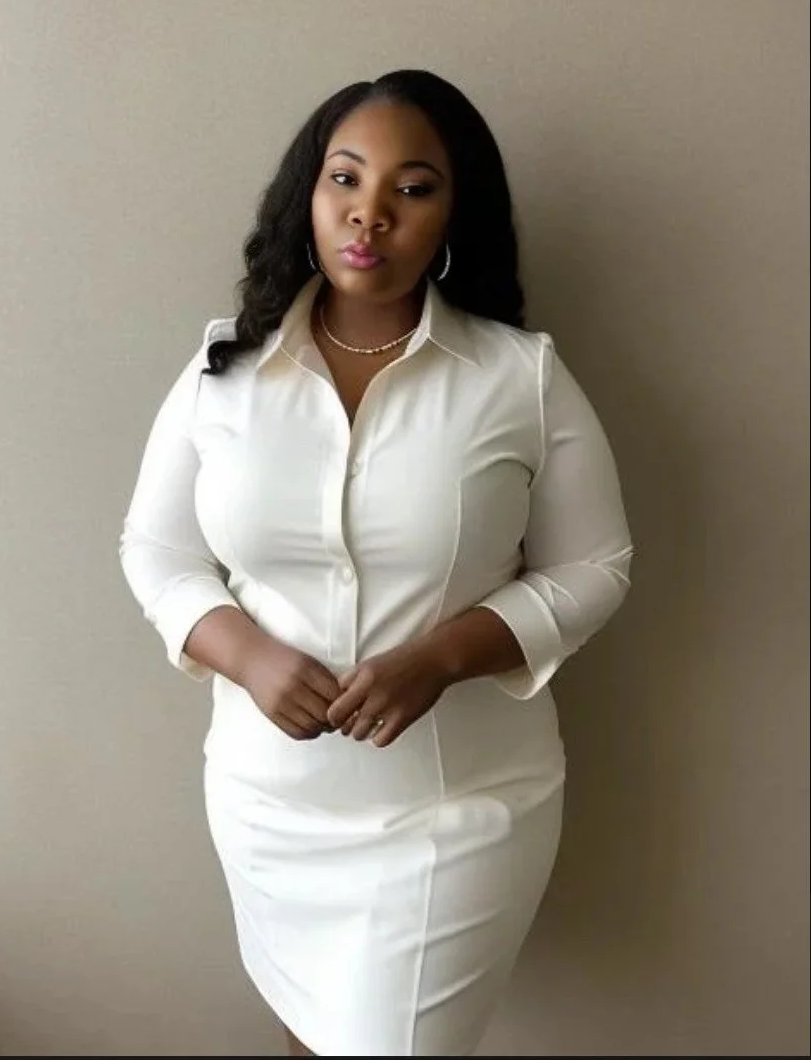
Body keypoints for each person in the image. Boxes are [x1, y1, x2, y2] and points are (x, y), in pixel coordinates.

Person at [117, 69, 634, 1058]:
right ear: (304, 197)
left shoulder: (516, 376)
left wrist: (440, 657)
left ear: (453, 212)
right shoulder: (222, 369)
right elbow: (156, 548)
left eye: (412, 187)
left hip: (456, 813)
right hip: (269, 803)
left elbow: (595, 564)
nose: (369, 213)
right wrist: (247, 655)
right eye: (344, 178)